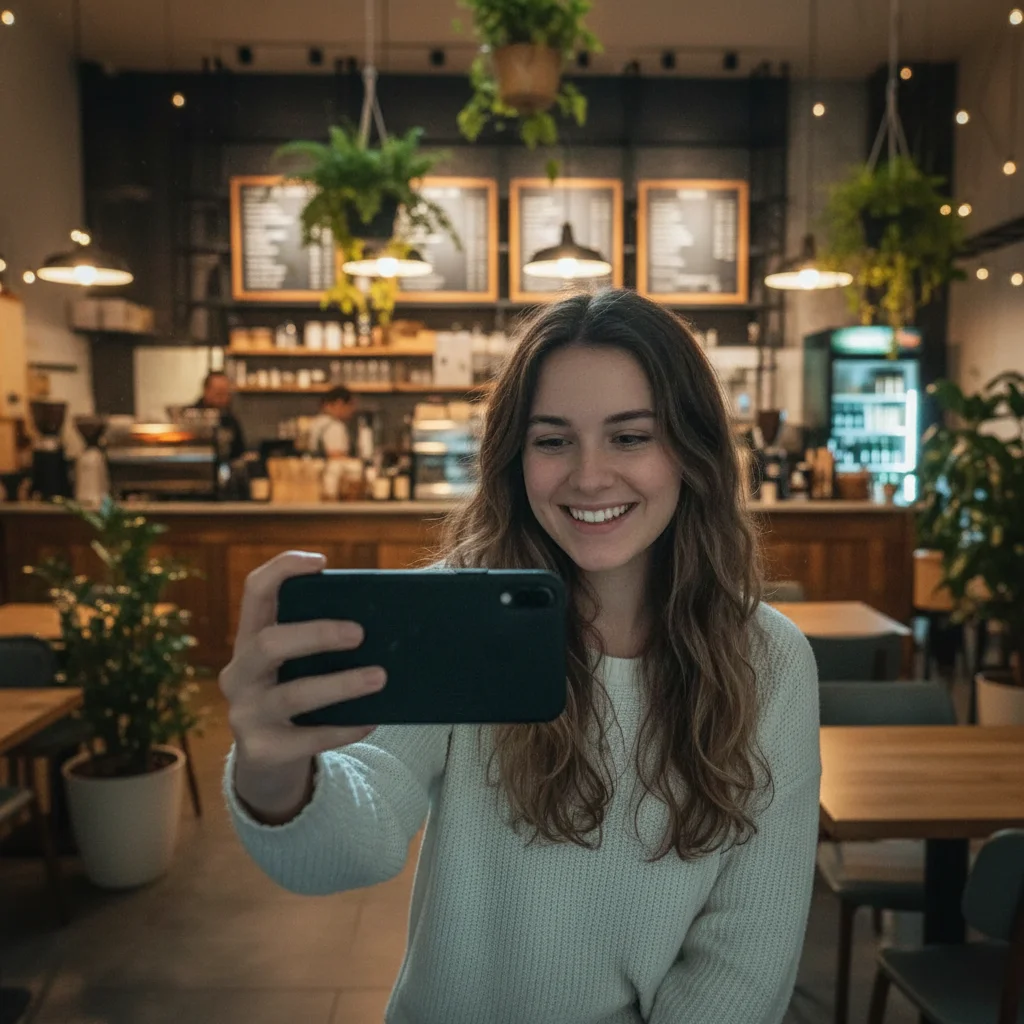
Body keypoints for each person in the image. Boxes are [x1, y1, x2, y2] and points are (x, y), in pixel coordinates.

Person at [219, 289, 821, 1024]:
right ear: (515, 456)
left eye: (631, 437)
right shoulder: (457, 615)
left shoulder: (772, 661)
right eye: (552, 439)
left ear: (692, 452)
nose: (589, 476)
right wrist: (276, 772)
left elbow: (744, 958)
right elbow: (356, 842)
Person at [191, 370, 246, 461]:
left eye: (226, 394)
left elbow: (239, 453)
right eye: (218, 393)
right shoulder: (190, 417)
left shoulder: (230, 419)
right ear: (206, 391)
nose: (222, 398)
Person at [307, 385, 357, 458]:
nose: (352, 410)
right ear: (339, 403)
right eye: (350, 405)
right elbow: (336, 456)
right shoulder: (335, 426)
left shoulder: (316, 422)